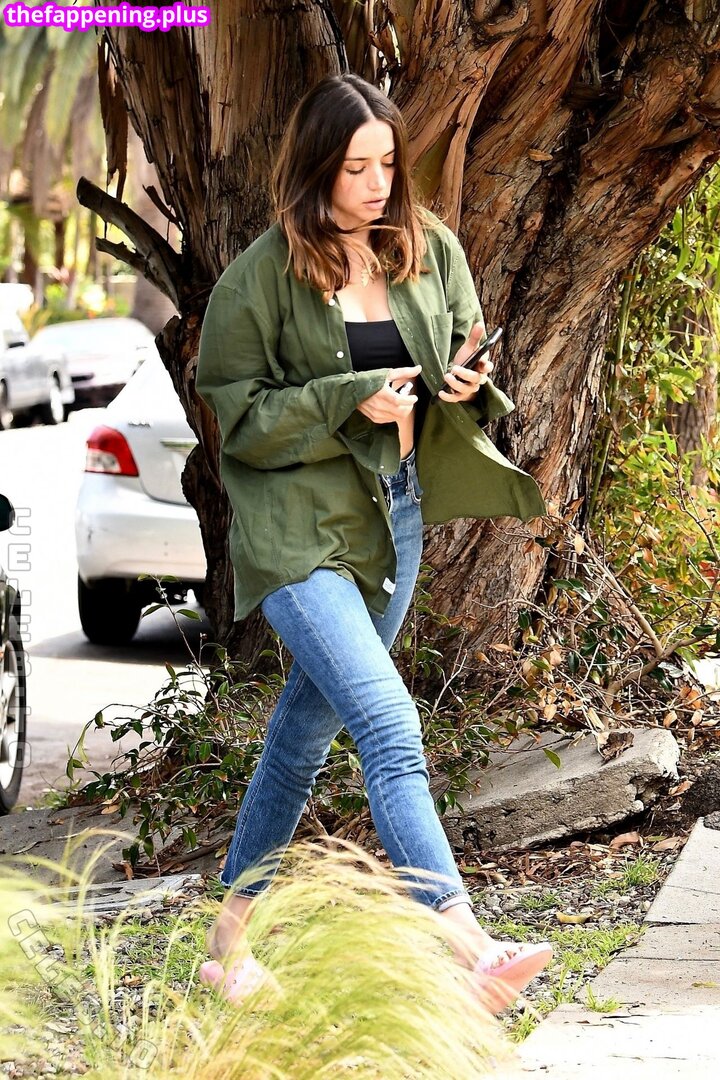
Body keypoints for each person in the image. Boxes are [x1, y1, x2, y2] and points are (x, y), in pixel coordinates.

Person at [195, 73, 551, 1012]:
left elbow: (463, 356)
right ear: (316, 167)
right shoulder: (260, 278)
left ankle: (228, 943)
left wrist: (466, 381)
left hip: (394, 517)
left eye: (387, 164)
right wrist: (347, 399)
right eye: (355, 168)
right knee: (390, 723)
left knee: (303, 734)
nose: (376, 185)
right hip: (297, 530)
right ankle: (468, 944)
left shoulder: (427, 249)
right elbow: (238, 417)